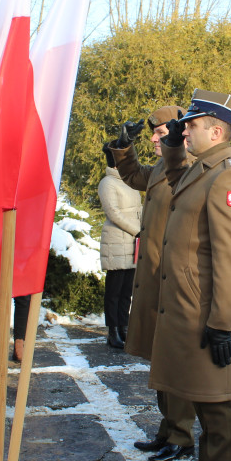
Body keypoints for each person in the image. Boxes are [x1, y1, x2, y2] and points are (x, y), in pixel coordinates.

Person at [153, 89, 231, 461]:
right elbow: (169, 178)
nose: (184, 129)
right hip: (188, 308)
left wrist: (223, 323)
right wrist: (174, 144)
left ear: (216, 130)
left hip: (207, 312)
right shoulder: (202, 170)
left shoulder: (228, 178)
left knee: (218, 406)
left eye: (190, 125)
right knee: (204, 403)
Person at [110, 105, 197, 461]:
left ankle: (181, 434)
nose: (153, 139)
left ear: (179, 132)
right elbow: (132, 176)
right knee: (160, 361)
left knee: (174, 362)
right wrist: (122, 145)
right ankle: (168, 429)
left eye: (159, 133)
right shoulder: (163, 167)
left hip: (173, 278)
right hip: (154, 276)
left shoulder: (187, 168)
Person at [98, 143, 142, 349]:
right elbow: (113, 213)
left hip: (133, 241)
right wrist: (137, 229)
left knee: (126, 290)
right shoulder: (107, 183)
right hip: (116, 240)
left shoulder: (129, 182)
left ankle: (124, 326)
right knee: (114, 290)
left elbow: (139, 208)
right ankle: (112, 330)